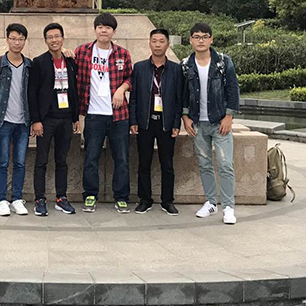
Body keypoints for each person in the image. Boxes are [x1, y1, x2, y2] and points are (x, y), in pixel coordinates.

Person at [181, 23, 240, 225]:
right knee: (205, 164)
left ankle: (228, 207)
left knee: (225, 164)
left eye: (205, 36)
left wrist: (229, 116)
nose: (201, 40)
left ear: (211, 39)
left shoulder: (223, 62)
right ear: (190, 40)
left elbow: (233, 89)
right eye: (196, 36)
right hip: (198, 122)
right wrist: (185, 116)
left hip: (219, 121)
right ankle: (210, 202)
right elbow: (183, 93)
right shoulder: (186, 65)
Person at [74, 13, 133, 213]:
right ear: (95, 30)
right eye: (100, 27)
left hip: (119, 116)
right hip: (93, 114)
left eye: (108, 27)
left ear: (113, 32)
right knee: (91, 157)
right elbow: (70, 68)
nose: (103, 30)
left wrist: (121, 89)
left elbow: (131, 77)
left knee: (122, 159)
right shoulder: (82, 51)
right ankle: (90, 195)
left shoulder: (122, 54)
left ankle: (121, 197)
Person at [129, 29, 182, 215]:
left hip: (166, 122)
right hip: (145, 121)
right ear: (149, 43)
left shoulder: (176, 69)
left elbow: (179, 99)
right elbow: (133, 97)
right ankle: (145, 199)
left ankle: (167, 201)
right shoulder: (140, 67)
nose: (158, 45)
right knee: (144, 162)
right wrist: (133, 120)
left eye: (161, 41)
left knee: (167, 164)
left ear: (167, 44)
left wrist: (176, 124)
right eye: (154, 41)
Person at [28, 23, 79, 216]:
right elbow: (32, 93)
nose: (54, 40)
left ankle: (61, 198)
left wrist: (75, 117)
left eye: (57, 36)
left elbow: (74, 90)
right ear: (45, 40)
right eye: (50, 37)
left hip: (66, 118)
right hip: (46, 119)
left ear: (63, 38)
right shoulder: (39, 62)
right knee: (41, 160)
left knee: (62, 160)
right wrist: (36, 120)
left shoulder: (70, 61)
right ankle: (40, 199)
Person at [0, 23, 32, 217]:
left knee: (20, 162)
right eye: (13, 38)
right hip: (3, 121)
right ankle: (2, 199)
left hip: (23, 122)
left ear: (25, 41)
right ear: (7, 40)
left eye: (20, 39)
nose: (17, 43)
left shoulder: (29, 65)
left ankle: (17, 199)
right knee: (2, 162)